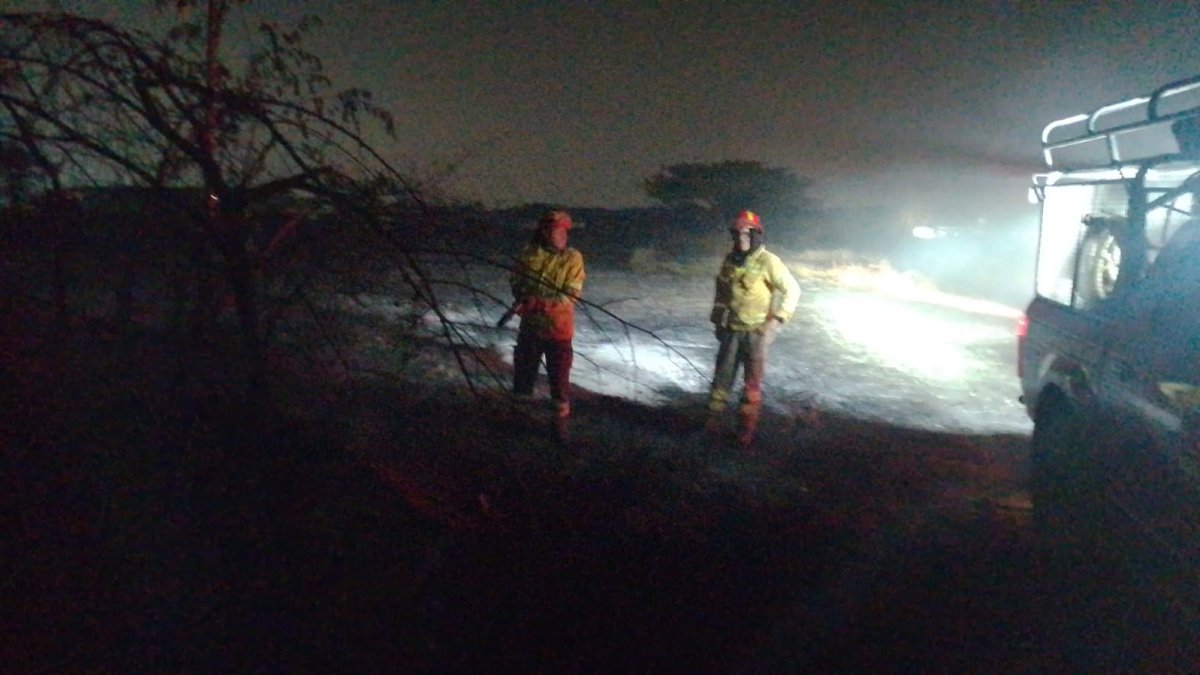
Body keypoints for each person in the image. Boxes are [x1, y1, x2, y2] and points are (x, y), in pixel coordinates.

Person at [707, 209, 801, 445]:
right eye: (737, 233)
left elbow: (793, 290)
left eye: (747, 232)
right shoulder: (730, 260)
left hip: (756, 334)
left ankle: (745, 431)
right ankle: (712, 423)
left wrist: (776, 322)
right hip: (731, 330)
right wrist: (717, 319)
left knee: (751, 385)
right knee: (721, 380)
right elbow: (722, 292)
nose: (742, 237)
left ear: (757, 234)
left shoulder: (769, 261)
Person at [509, 210, 586, 420]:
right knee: (522, 382)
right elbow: (516, 281)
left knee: (559, 386)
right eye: (557, 231)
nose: (563, 236)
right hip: (530, 330)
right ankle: (518, 425)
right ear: (544, 232)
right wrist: (523, 296)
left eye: (565, 232)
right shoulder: (529, 254)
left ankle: (559, 431)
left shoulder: (573, 258)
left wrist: (539, 303)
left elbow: (570, 296)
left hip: (558, 332)